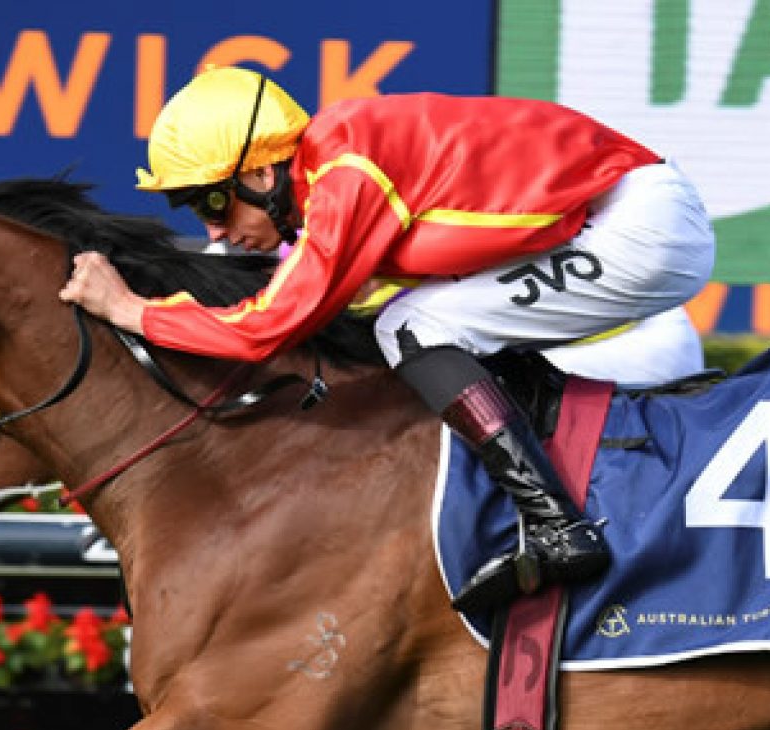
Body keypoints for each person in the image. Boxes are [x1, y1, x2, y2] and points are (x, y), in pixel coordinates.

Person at [59, 66, 716, 612]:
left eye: (211, 204)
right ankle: (547, 484)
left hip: (643, 229)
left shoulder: (346, 175)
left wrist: (130, 309)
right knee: (415, 315)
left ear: (260, 175)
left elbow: (264, 328)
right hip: (627, 213)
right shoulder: (336, 164)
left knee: (416, 325)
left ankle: (556, 524)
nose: (216, 233)